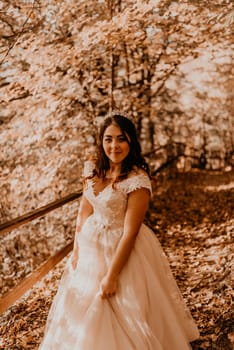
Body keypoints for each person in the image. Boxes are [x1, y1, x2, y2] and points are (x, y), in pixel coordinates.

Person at [39, 112, 199, 350]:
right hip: (90, 248)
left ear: (131, 141)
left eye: (121, 139)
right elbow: (84, 213)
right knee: (81, 309)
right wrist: (76, 250)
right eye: (108, 139)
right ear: (101, 141)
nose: (114, 145)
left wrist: (111, 276)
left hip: (122, 250)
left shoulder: (137, 179)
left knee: (119, 308)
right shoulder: (92, 170)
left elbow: (130, 233)